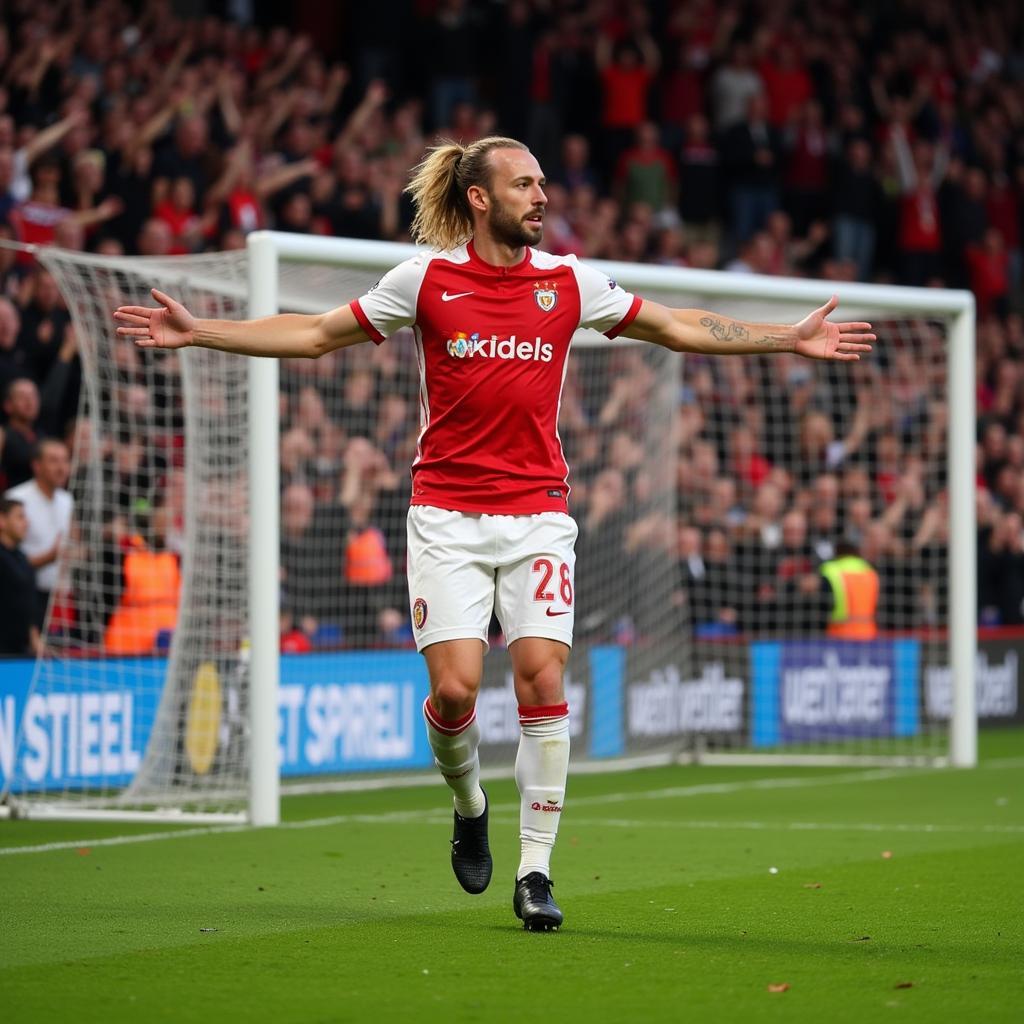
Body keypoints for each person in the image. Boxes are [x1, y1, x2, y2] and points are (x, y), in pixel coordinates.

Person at [114, 135, 874, 931]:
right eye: (524, 184)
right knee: (454, 692)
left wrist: (786, 336)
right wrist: (202, 332)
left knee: (542, 679)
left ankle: (536, 872)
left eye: (543, 183)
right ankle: (469, 802)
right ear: (480, 198)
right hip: (445, 517)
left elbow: (679, 327)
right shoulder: (428, 281)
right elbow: (312, 335)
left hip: (540, 514)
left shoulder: (569, 283)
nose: (541, 197)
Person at [5, 438, 74, 629]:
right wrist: (50, 557)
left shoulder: (67, 500)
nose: (61, 468)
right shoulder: (16, 499)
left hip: (61, 595)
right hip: (26, 596)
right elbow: (7, 559)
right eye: (53, 461)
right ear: (36, 466)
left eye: (65, 460)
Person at [0, 497, 42, 656]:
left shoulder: (22, 558)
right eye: (20, 517)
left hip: (21, 651)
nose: (26, 523)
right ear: (2, 520)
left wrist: (34, 634)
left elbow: (28, 601)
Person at [819, 539, 880, 640]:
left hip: (839, 635)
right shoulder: (870, 571)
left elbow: (824, 603)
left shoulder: (830, 570)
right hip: (868, 635)